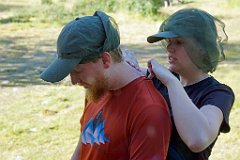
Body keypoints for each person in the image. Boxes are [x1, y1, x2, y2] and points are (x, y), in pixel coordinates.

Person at [40, 11, 172, 160]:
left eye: (77, 70)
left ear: (105, 60)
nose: (74, 80)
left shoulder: (148, 110)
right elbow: (83, 148)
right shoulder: (96, 89)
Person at [125, 8, 235, 160]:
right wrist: (125, 61)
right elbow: (124, 72)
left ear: (203, 49)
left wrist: (171, 82)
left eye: (179, 42)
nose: (170, 48)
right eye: (169, 42)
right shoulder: (160, 80)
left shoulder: (218, 93)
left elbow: (198, 139)